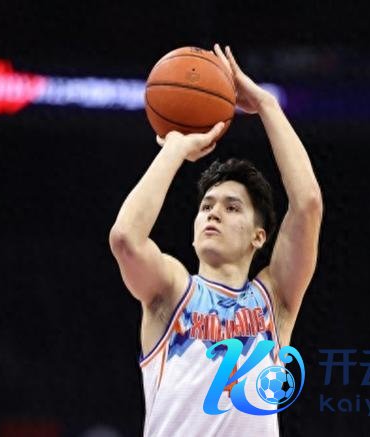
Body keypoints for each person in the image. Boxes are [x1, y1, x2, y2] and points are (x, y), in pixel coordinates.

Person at [109, 43, 323, 437]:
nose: (213, 213)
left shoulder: (274, 300)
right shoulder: (172, 291)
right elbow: (125, 239)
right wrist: (175, 148)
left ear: (259, 236)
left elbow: (307, 204)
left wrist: (266, 105)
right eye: (206, 206)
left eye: (231, 207)